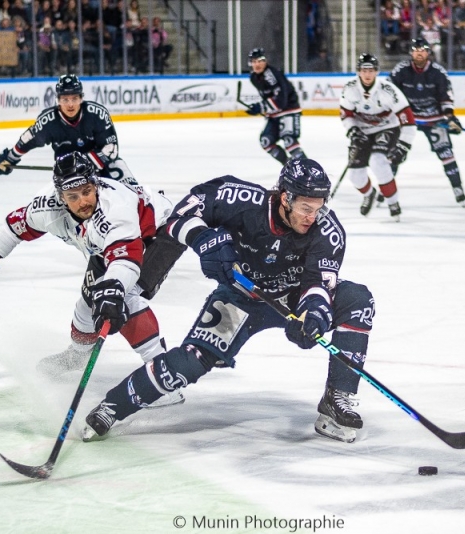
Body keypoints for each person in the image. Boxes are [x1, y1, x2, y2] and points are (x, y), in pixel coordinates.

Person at [81, 158, 375, 444]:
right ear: (286, 198)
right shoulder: (241, 199)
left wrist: (314, 316)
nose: (312, 217)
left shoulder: (327, 230)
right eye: (305, 208)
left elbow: (318, 283)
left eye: (318, 208)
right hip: (240, 297)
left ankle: (336, 398)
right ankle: (113, 407)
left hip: (293, 299)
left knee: (357, 300)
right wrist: (203, 239)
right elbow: (180, 216)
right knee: (189, 363)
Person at [0, 152, 185, 406]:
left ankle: (164, 378)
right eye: (72, 196)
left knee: (124, 298)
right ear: (60, 196)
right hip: (106, 245)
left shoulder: (115, 209)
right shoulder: (47, 208)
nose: (83, 202)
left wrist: (114, 288)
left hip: (159, 231)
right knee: (88, 304)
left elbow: (126, 259)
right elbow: (15, 227)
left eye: (87, 191)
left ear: (95, 185)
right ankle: (78, 355)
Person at [0, 74, 136, 186]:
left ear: (81, 99)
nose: (70, 104)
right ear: (58, 100)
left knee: (131, 190)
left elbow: (111, 149)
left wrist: (84, 163)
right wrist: (10, 159)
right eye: (65, 99)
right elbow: (28, 140)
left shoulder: (97, 114)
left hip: (101, 168)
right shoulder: (48, 122)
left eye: (74, 99)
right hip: (68, 173)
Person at [390, 37, 465, 206]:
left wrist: (450, 118)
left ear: (428, 53)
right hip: (408, 119)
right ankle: (385, 190)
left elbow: (446, 97)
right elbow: (390, 94)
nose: (419, 53)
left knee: (446, 154)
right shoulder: (400, 70)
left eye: (423, 50)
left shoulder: (438, 72)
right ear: (411, 53)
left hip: (434, 119)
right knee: (395, 154)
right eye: (416, 50)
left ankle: (458, 188)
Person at [340, 53, 415, 221]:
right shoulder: (350, 89)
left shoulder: (388, 90)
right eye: (364, 70)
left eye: (371, 70)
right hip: (362, 132)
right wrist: (353, 130)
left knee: (378, 161)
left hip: (386, 128)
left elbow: (408, 121)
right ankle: (369, 194)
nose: (367, 74)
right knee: (355, 176)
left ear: (377, 72)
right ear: (358, 71)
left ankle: (393, 202)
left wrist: (404, 146)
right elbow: (346, 114)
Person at [245, 47, 307, 165]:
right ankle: (289, 167)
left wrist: (261, 107)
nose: (257, 64)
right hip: (274, 114)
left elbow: (281, 101)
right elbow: (269, 97)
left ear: (265, 61)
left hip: (288, 110)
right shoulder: (254, 77)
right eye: (254, 62)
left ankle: (308, 170)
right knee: (266, 141)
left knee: (289, 140)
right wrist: (260, 107)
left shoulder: (271, 74)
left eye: (259, 61)